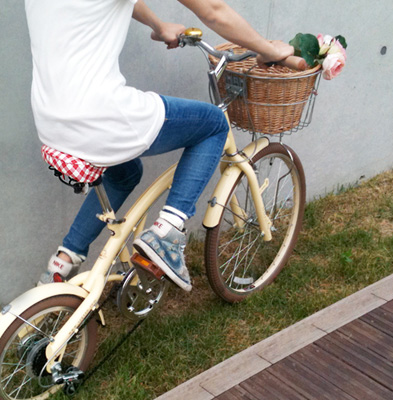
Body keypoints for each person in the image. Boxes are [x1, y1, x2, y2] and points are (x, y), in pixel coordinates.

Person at [25, 0, 294, 291]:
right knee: (214, 124)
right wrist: (269, 50)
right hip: (101, 116)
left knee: (124, 174)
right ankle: (167, 232)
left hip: (52, 120)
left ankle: (63, 261)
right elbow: (213, 10)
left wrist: (159, 24)